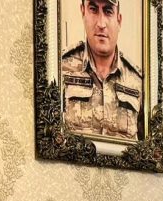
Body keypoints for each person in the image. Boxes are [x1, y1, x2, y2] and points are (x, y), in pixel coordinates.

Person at [61, 0, 144, 141]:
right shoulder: (60, 69)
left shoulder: (137, 81)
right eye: (93, 9)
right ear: (83, 12)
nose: (101, 24)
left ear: (119, 20)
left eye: (108, 11)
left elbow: (147, 147)